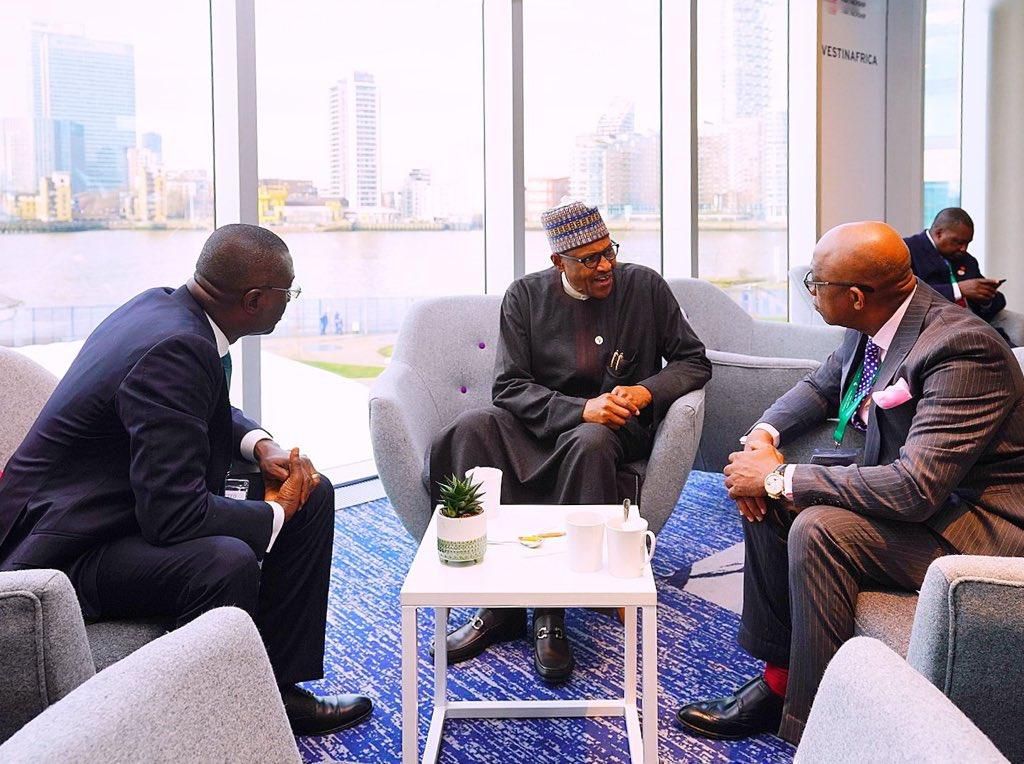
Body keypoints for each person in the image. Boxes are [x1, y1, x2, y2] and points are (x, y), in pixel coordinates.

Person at [0, 224, 373, 736]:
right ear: (255, 299)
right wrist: (276, 512)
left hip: (119, 501)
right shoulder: (178, 346)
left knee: (316, 492)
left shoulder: (166, 308)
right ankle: (217, 723)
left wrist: (259, 445)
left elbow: (198, 405)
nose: (291, 301)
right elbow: (175, 518)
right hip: (69, 549)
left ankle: (279, 690)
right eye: (290, 291)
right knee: (226, 561)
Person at [675, 221, 1024, 745]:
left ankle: (815, 728)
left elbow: (914, 488)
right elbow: (821, 386)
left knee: (817, 526)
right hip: (923, 495)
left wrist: (779, 476)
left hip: (975, 524)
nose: (810, 290)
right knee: (768, 499)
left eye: (816, 283)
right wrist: (762, 439)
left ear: (856, 296)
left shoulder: (962, 350)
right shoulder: (878, 320)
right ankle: (781, 682)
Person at [428, 200, 711, 683]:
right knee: (472, 428)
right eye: (590, 259)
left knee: (591, 442)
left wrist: (645, 391)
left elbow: (694, 361)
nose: (606, 266)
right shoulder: (524, 296)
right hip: (543, 421)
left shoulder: (644, 286)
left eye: (609, 252)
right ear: (559, 262)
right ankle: (500, 602)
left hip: (614, 430)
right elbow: (509, 387)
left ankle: (549, 612)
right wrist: (580, 407)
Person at [905, 207, 1010, 342]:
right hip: (935, 333)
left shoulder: (967, 260)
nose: (964, 248)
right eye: (958, 242)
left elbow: (997, 302)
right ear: (939, 234)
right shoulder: (907, 250)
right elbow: (908, 294)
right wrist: (958, 290)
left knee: (1015, 354)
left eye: (967, 243)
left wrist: (985, 299)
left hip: (977, 329)